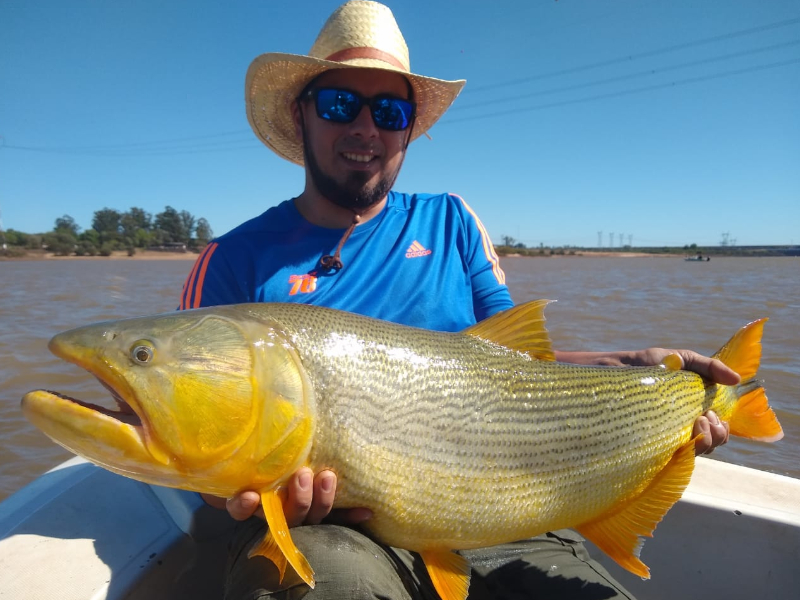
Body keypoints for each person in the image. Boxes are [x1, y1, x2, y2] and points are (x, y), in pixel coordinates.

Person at [181, 2, 733, 598]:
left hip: (494, 510)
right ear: (302, 112)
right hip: (324, 530)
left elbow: (516, 376)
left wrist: (627, 368)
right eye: (341, 103)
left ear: (409, 129)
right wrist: (232, 493)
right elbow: (194, 445)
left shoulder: (451, 221)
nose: (366, 127)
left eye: (390, 110)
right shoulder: (233, 261)